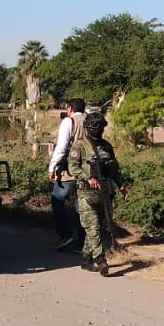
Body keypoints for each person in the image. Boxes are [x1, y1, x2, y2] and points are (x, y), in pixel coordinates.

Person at [68, 110, 122, 276]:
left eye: (101, 127)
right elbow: (73, 167)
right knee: (93, 228)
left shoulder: (106, 146)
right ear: (88, 127)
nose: (98, 130)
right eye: (94, 127)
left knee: (98, 228)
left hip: (105, 193)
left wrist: (121, 185)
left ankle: (86, 259)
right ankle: (100, 260)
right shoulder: (79, 145)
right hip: (86, 194)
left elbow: (114, 169)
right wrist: (87, 178)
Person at [47, 98, 86, 251]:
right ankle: (81, 242)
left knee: (57, 200)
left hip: (70, 169)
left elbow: (62, 146)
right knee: (81, 205)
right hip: (87, 170)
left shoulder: (69, 121)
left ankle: (66, 235)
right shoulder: (89, 120)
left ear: (70, 109)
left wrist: (52, 166)